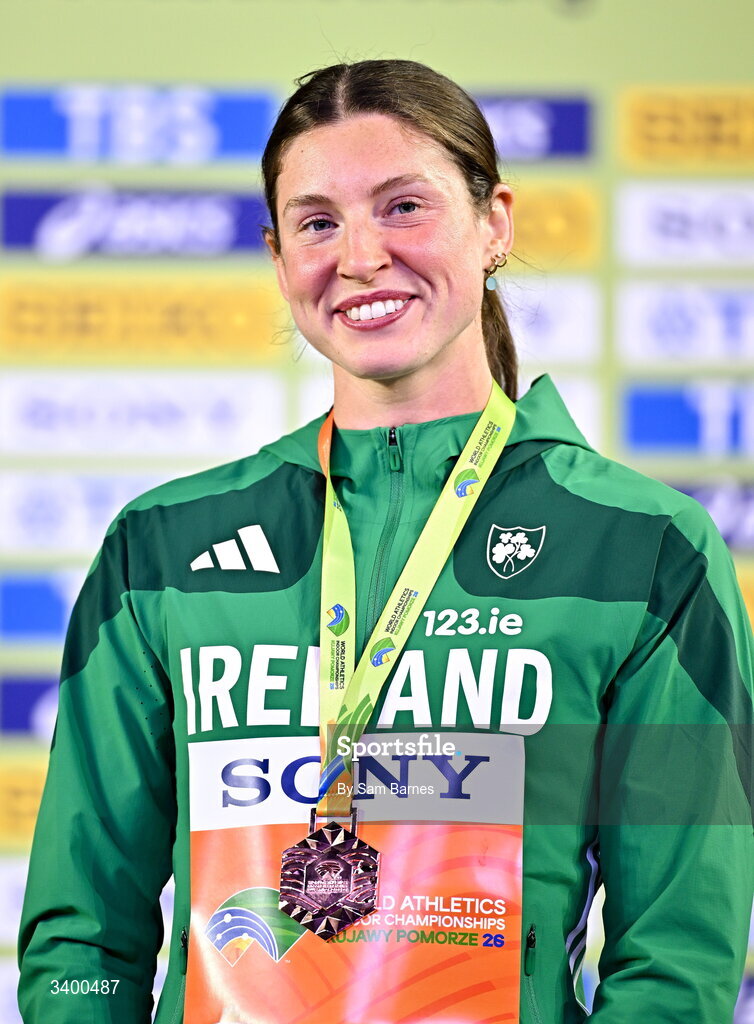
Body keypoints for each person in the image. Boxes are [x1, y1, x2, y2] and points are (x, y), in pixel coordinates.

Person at [18, 59, 753, 1024]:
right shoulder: (163, 546)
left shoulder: (643, 546)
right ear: (281, 259)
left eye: (404, 206)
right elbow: (82, 935)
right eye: (318, 222)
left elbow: (680, 960)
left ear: (494, 224)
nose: (360, 254)